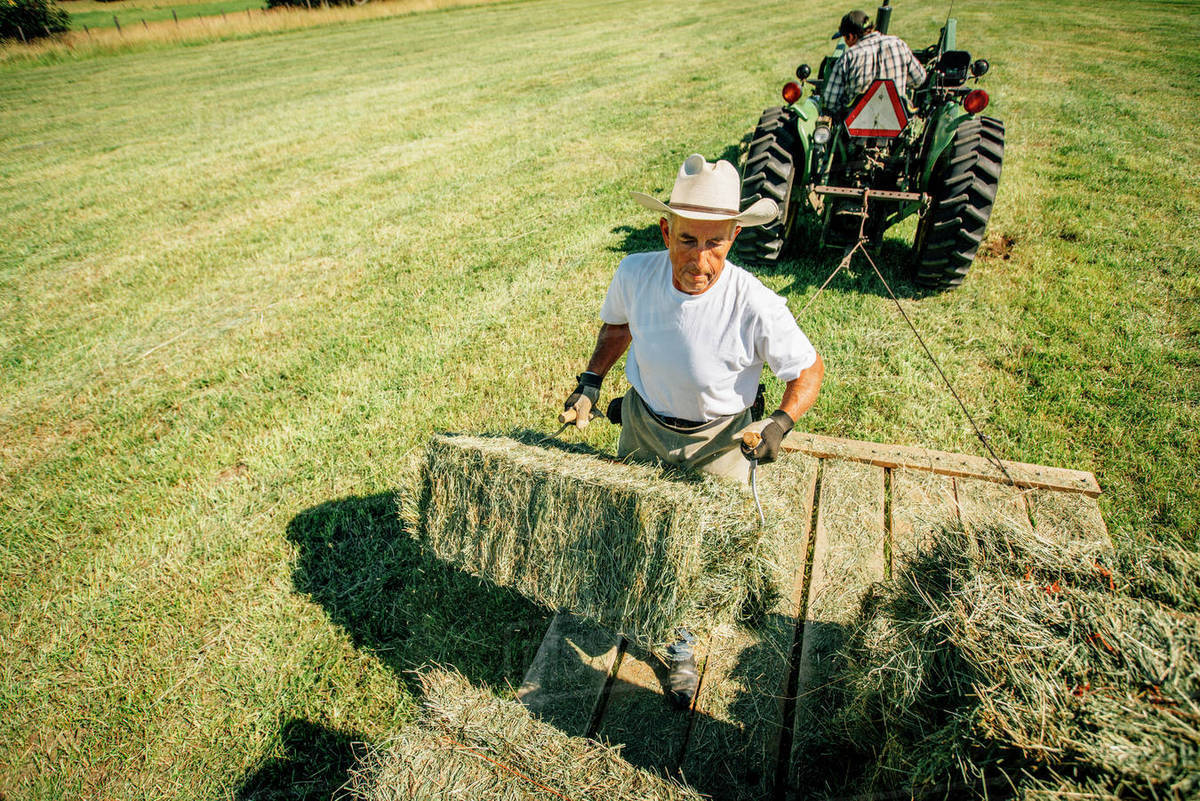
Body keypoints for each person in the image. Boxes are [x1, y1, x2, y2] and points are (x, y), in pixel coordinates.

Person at [562, 153, 825, 708]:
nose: (700, 260)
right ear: (665, 229)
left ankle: (680, 643)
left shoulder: (754, 301)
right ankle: (632, 605)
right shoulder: (635, 273)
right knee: (637, 527)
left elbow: (807, 369)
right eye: (687, 241)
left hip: (720, 442)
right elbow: (618, 327)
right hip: (644, 423)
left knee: (698, 550)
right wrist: (590, 383)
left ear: (733, 235)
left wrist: (779, 422)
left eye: (715, 243)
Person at [821, 9, 927, 114]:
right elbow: (919, 78)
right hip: (898, 123)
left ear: (852, 36)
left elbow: (831, 102)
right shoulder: (898, 44)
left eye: (845, 38)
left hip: (858, 127)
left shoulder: (848, 58)